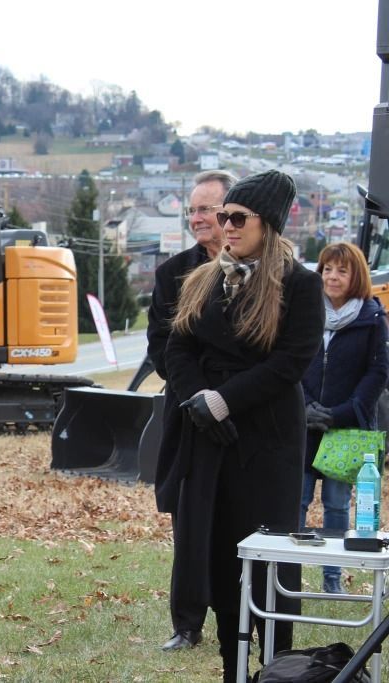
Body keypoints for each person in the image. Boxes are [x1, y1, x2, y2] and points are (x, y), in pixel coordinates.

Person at [165, 170, 323, 681]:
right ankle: (230, 661)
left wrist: (225, 400)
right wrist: (198, 401)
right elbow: (179, 347)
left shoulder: (299, 284)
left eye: (237, 218)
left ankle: (277, 662)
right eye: (221, 216)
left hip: (268, 437)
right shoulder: (202, 279)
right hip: (208, 433)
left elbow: (290, 363)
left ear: (268, 224)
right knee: (219, 550)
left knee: (270, 552)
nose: (223, 225)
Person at [147, 169, 237, 652]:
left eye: (207, 209)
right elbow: (164, 350)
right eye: (193, 210)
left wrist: (231, 398)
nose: (198, 218)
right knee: (192, 522)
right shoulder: (171, 274)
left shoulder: (259, 272)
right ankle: (187, 623)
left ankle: (245, 613)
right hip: (191, 415)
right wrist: (202, 399)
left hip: (246, 413)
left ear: (233, 214)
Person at [300, 242, 388, 593]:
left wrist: (344, 412)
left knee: (337, 505)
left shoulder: (371, 317)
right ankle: (286, 575)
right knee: (297, 503)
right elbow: (292, 363)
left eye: (342, 270)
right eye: (326, 269)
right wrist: (303, 405)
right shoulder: (305, 313)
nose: (332, 277)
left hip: (345, 429)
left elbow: (378, 372)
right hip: (304, 425)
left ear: (356, 276)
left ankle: (332, 579)